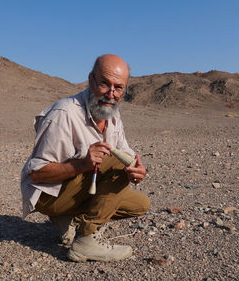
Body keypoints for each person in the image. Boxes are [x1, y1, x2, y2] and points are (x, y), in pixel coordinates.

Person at [20, 54, 150, 262]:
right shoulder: (64, 113)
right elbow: (36, 174)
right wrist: (83, 164)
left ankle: (68, 219)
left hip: (77, 190)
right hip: (48, 194)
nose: (111, 93)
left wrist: (136, 169)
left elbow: (127, 156)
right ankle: (86, 241)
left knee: (140, 204)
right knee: (113, 163)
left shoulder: (112, 116)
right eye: (105, 84)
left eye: (118, 88)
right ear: (91, 80)